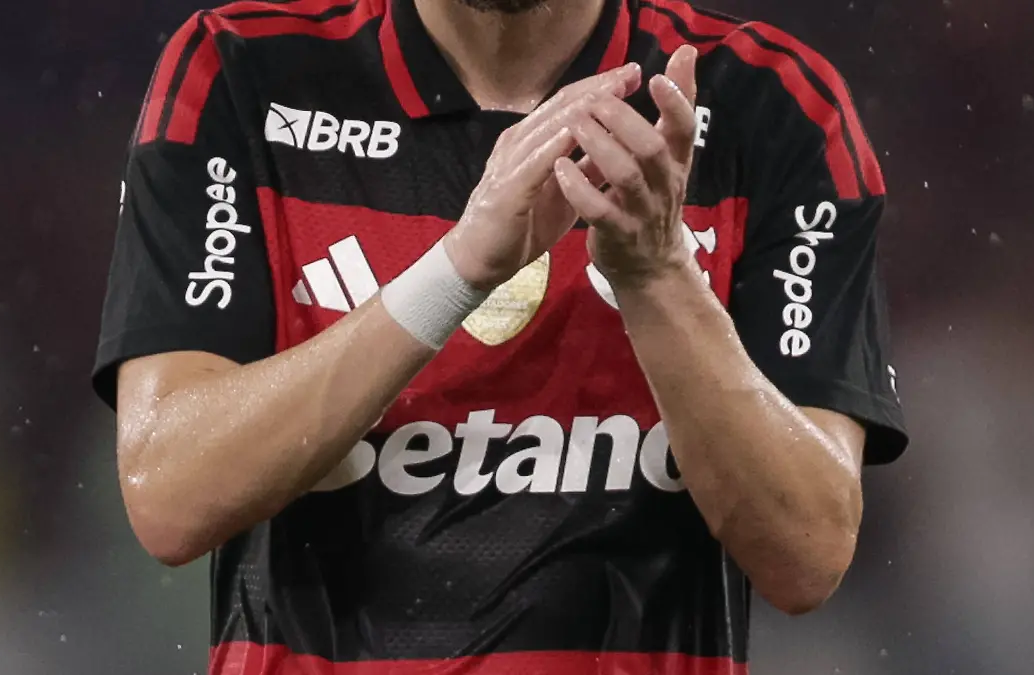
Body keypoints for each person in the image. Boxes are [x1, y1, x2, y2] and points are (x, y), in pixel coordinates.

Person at [93, 0, 908, 672]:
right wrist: (455, 271)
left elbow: (807, 550)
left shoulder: (777, 107)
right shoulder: (240, 71)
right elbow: (170, 493)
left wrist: (658, 277)